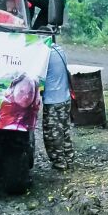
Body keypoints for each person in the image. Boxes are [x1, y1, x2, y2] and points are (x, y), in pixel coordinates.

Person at [41, 40, 76, 171]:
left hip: (53, 100)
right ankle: (69, 159)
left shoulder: (44, 53)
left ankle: (59, 163)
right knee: (65, 130)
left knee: (52, 134)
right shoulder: (59, 49)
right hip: (65, 98)